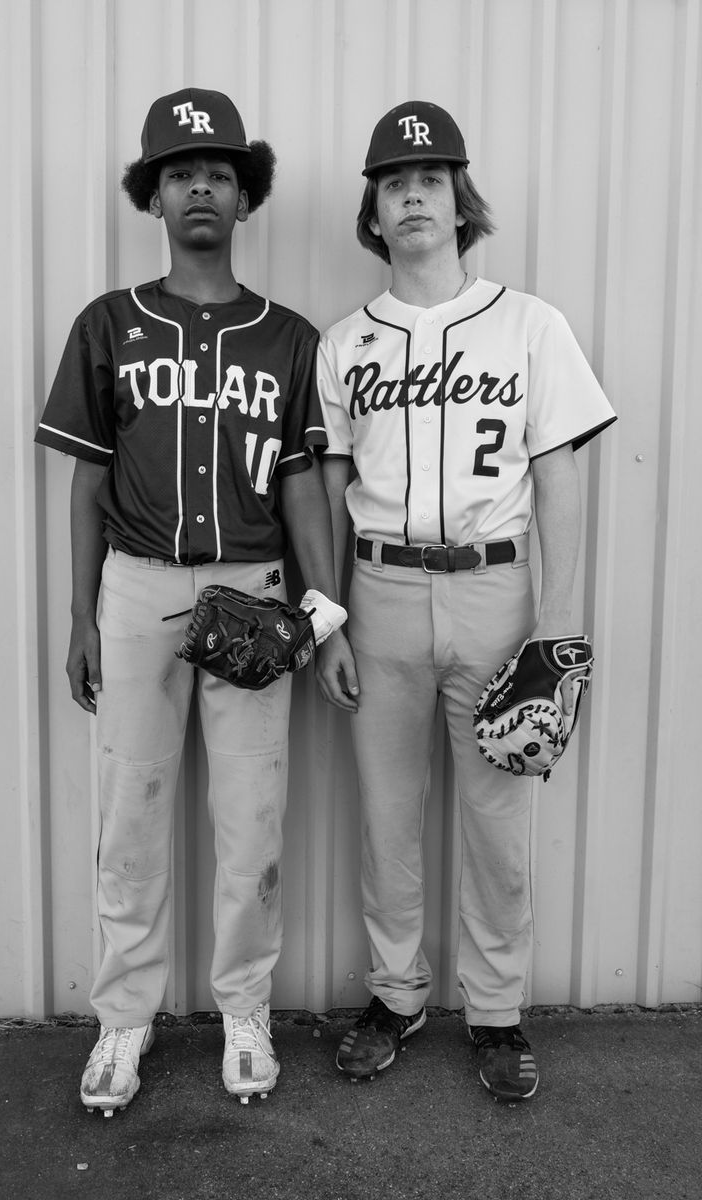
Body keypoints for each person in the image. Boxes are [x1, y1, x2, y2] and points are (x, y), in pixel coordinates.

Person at [35, 87, 352, 1112]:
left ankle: (242, 1011)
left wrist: (324, 612)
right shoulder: (108, 325)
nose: (200, 186)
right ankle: (123, 1019)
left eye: (217, 170)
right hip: (135, 591)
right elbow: (87, 481)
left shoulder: (288, 339)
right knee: (130, 817)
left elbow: (306, 483)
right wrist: (81, 615)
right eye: (179, 172)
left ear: (243, 193)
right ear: (154, 195)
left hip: (254, 595)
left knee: (249, 822)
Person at [315, 100, 616, 1101]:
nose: (410, 196)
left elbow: (560, 477)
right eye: (392, 184)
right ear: (374, 212)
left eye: (428, 181)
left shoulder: (529, 326)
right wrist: (330, 618)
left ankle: (493, 1013)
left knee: (495, 823)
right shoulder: (342, 342)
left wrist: (559, 626)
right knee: (387, 820)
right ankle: (395, 996)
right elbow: (324, 485)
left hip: (493, 588)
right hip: (380, 588)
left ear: (458, 202)